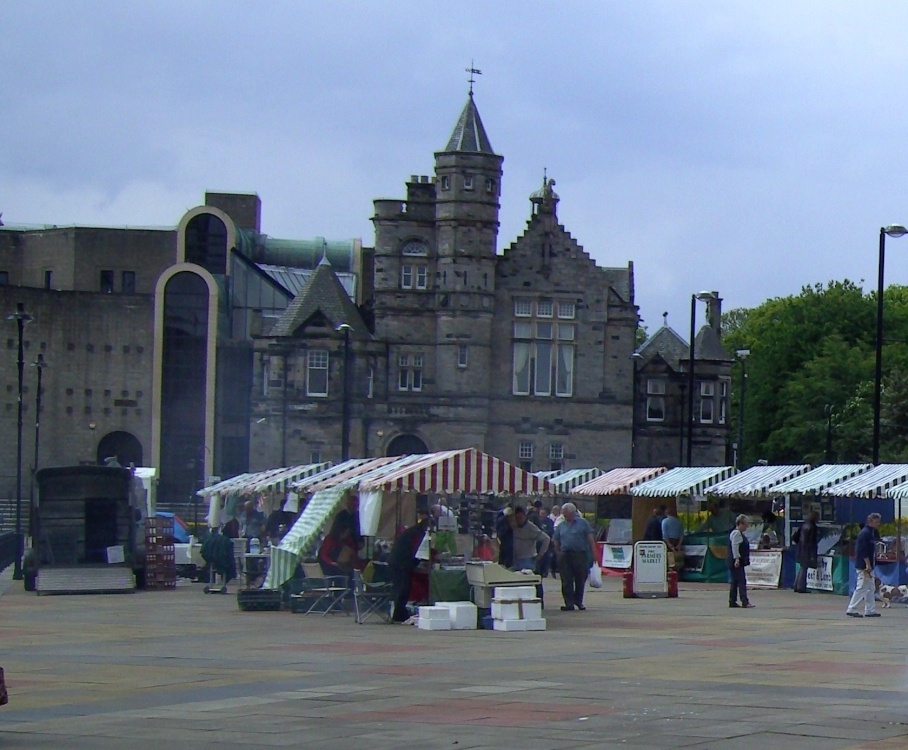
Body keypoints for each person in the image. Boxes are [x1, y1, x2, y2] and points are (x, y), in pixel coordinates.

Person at [552, 502, 597, 611]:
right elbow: (556, 540)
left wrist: (594, 553)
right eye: (563, 514)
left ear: (572, 512)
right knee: (566, 580)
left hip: (580, 555)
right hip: (565, 555)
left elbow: (590, 539)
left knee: (580, 579)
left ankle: (578, 601)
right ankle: (569, 603)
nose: (564, 515)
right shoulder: (561, 525)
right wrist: (558, 553)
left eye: (565, 513)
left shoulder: (583, 523)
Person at [388, 509, 431, 623]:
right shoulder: (417, 534)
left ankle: (399, 613)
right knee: (403, 588)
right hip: (401, 563)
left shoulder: (413, 531)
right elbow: (416, 550)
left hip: (400, 561)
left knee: (403, 588)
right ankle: (398, 613)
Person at [846, 513, 882, 618]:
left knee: (870, 587)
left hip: (869, 564)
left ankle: (870, 609)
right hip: (864, 566)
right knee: (862, 586)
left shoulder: (870, 533)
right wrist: (867, 564)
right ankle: (852, 608)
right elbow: (862, 550)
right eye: (876, 522)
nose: (878, 524)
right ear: (870, 522)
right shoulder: (865, 533)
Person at [510, 506, 550, 572]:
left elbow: (546, 539)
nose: (519, 520)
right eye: (517, 518)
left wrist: (540, 554)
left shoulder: (531, 527)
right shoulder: (514, 526)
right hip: (515, 559)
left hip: (528, 559)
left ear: (525, 516)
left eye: (520, 518)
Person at [728, 514, 754, 608]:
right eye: (746, 524)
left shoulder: (737, 533)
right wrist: (737, 559)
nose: (747, 526)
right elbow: (735, 547)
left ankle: (732, 600)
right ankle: (745, 601)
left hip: (736, 561)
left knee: (735, 582)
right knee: (741, 581)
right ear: (741, 524)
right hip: (737, 562)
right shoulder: (737, 534)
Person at [792, 510, 820, 593]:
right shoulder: (813, 527)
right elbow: (812, 542)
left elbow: (795, 537)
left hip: (801, 549)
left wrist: (799, 543)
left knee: (802, 568)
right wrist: (812, 554)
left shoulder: (804, 525)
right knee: (804, 569)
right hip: (807, 550)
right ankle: (801, 587)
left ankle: (796, 585)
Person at [537, 506, 556, 577]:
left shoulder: (549, 522)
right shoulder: (538, 520)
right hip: (538, 543)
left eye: (543, 513)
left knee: (546, 558)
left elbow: (550, 532)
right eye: (541, 513)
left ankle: (545, 571)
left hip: (547, 543)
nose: (542, 515)